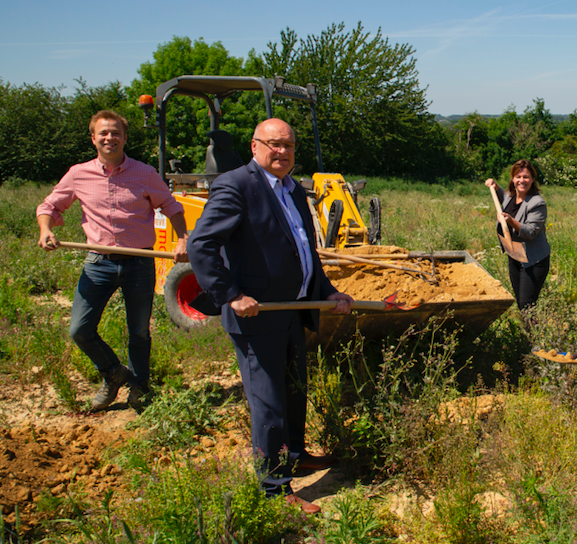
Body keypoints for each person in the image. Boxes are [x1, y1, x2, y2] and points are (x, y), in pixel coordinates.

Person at [187, 118, 353, 514]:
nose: (282, 152)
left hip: (293, 311)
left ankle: (295, 453)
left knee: (295, 389)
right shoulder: (236, 185)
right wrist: (230, 295)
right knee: (269, 401)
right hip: (257, 315)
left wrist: (327, 291)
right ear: (254, 146)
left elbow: (304, 251)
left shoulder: (295, 190)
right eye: (274, 145)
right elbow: (202, 244)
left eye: (289, 146)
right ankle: (275, 487)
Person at [37, 110, 188, 411]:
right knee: (79, 329)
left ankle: (140, 388)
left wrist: (183, 238)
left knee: (139, 331)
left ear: (125, 138)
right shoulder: (79, 174)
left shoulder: (144, 173)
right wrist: (45, 229)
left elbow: (171, 207)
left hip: (139, 263)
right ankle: (113, 373)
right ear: (93, 138)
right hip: (99, 263)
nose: (110, 138)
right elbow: (50, 205)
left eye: (116, 132)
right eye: (103, 133)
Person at [485, 159, 551, 315]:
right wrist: (495, 186)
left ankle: (533, 336)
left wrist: (511, 221)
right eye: (518, 176)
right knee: (521, 302)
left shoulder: (537, 203)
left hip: (533, 261)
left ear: (532, 179)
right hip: (515, 256)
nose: (522, 180)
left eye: (526, 177)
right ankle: (529, 332)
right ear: (513, 179)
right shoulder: (510, 195)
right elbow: (503, 197)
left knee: (526, 305)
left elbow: (531, 232)